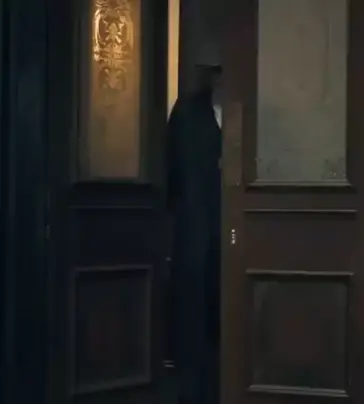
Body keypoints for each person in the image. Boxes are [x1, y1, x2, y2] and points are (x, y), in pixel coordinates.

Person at [167, 62, 223, 404]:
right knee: (194, 317)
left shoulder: (252, 111)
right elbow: (171, 170)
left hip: (232, 231)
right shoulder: (188, 113)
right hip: (195, 227)